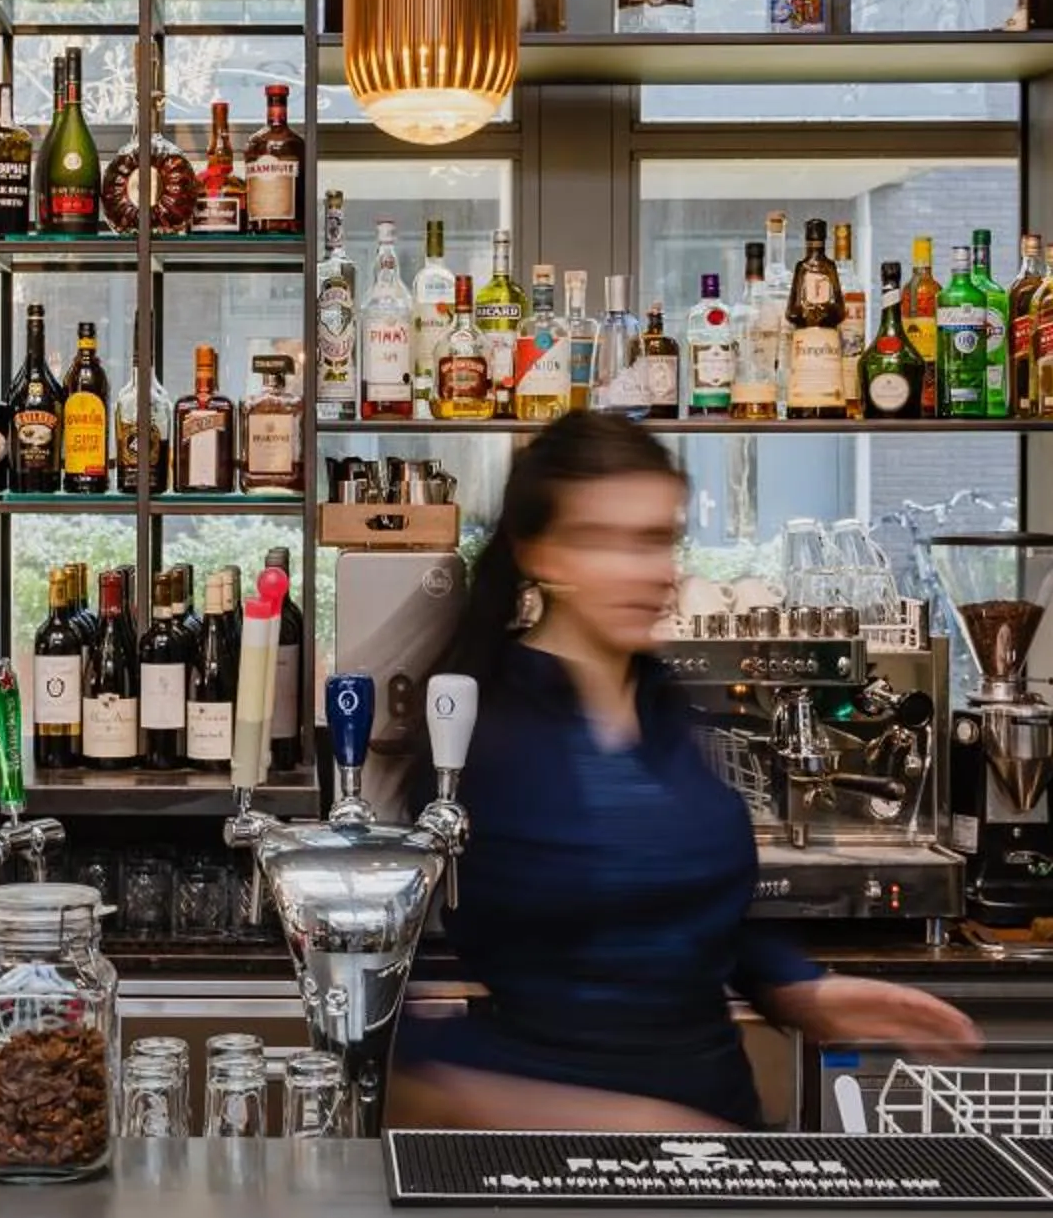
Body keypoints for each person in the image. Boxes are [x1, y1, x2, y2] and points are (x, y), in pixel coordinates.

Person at [389, 411, 979, 1131]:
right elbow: (397, 1035)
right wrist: (615, 1121)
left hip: (715, 1149)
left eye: (662, 539)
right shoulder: (482, 735)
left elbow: (699, 923)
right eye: (616, 542)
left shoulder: (664, 703)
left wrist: (803, 991)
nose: (657, 573)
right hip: (549, 1176)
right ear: (540, 552)